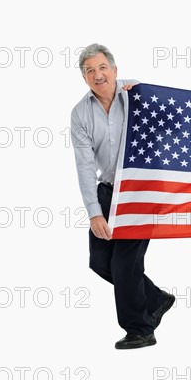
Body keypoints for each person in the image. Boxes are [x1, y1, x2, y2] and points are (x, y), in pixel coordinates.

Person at [70, 43, 175, 349]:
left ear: (114, 70)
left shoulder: (137, 96)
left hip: (142, 191)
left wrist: (148, 92)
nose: (97, 75)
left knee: (125, 265)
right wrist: (94, 212)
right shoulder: (80, 114)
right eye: (89, 71)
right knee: (100, 262)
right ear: (85, 78)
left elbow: (171, 120)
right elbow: (85, 166)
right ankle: (156, 298)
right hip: (107, 192)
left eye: (102, 68)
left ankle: (140, 329)